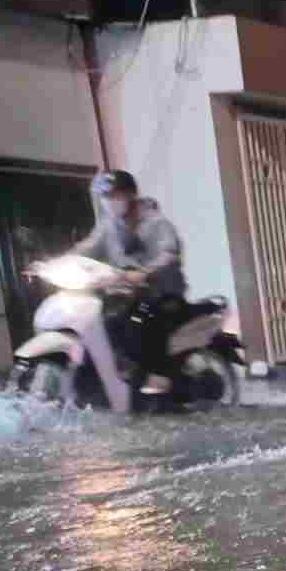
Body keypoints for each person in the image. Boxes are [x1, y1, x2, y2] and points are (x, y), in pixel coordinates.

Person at [70, 170, 184, 402]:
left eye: (114, 195)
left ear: (130, 194)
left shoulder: (154, 221)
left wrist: (144, 272)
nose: (108, 201)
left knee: (133, 325)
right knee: (100, 322)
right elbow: (87, 247)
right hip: (126, 296)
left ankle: (155, 380)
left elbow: (169, 253)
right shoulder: (108, 225)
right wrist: (55, 262)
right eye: (104, 196)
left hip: (161, 293)